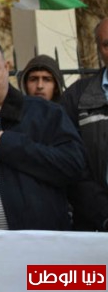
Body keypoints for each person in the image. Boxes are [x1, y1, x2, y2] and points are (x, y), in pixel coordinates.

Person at [0, 38, 86, 230]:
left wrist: (13, 147)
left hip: (37, 244)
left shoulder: (45, 113)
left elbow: (74, 166)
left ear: (7, 68)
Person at [62, 18, 108, 230]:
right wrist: (102, 212)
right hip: (96, 226)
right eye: (107, 44)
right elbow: (71, 162)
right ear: (99, 49)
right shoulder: (77, 97)